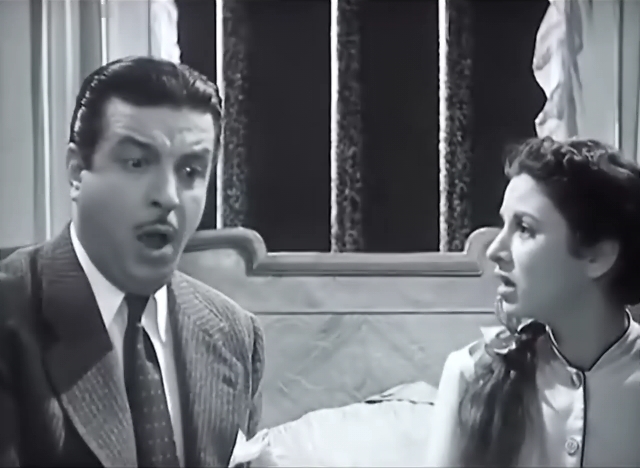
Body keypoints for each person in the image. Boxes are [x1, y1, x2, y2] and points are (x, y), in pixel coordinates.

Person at [0, 56, 264, 467]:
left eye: (191, 171)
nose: (168, 196)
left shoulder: (235, 334)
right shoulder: (10, 313)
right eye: (137, 163)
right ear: (77, 173)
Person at [425, 137, 640, 467]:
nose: (494, 250)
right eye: (504, 224)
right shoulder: (470, 374)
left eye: (524, 228)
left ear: (597, 255)